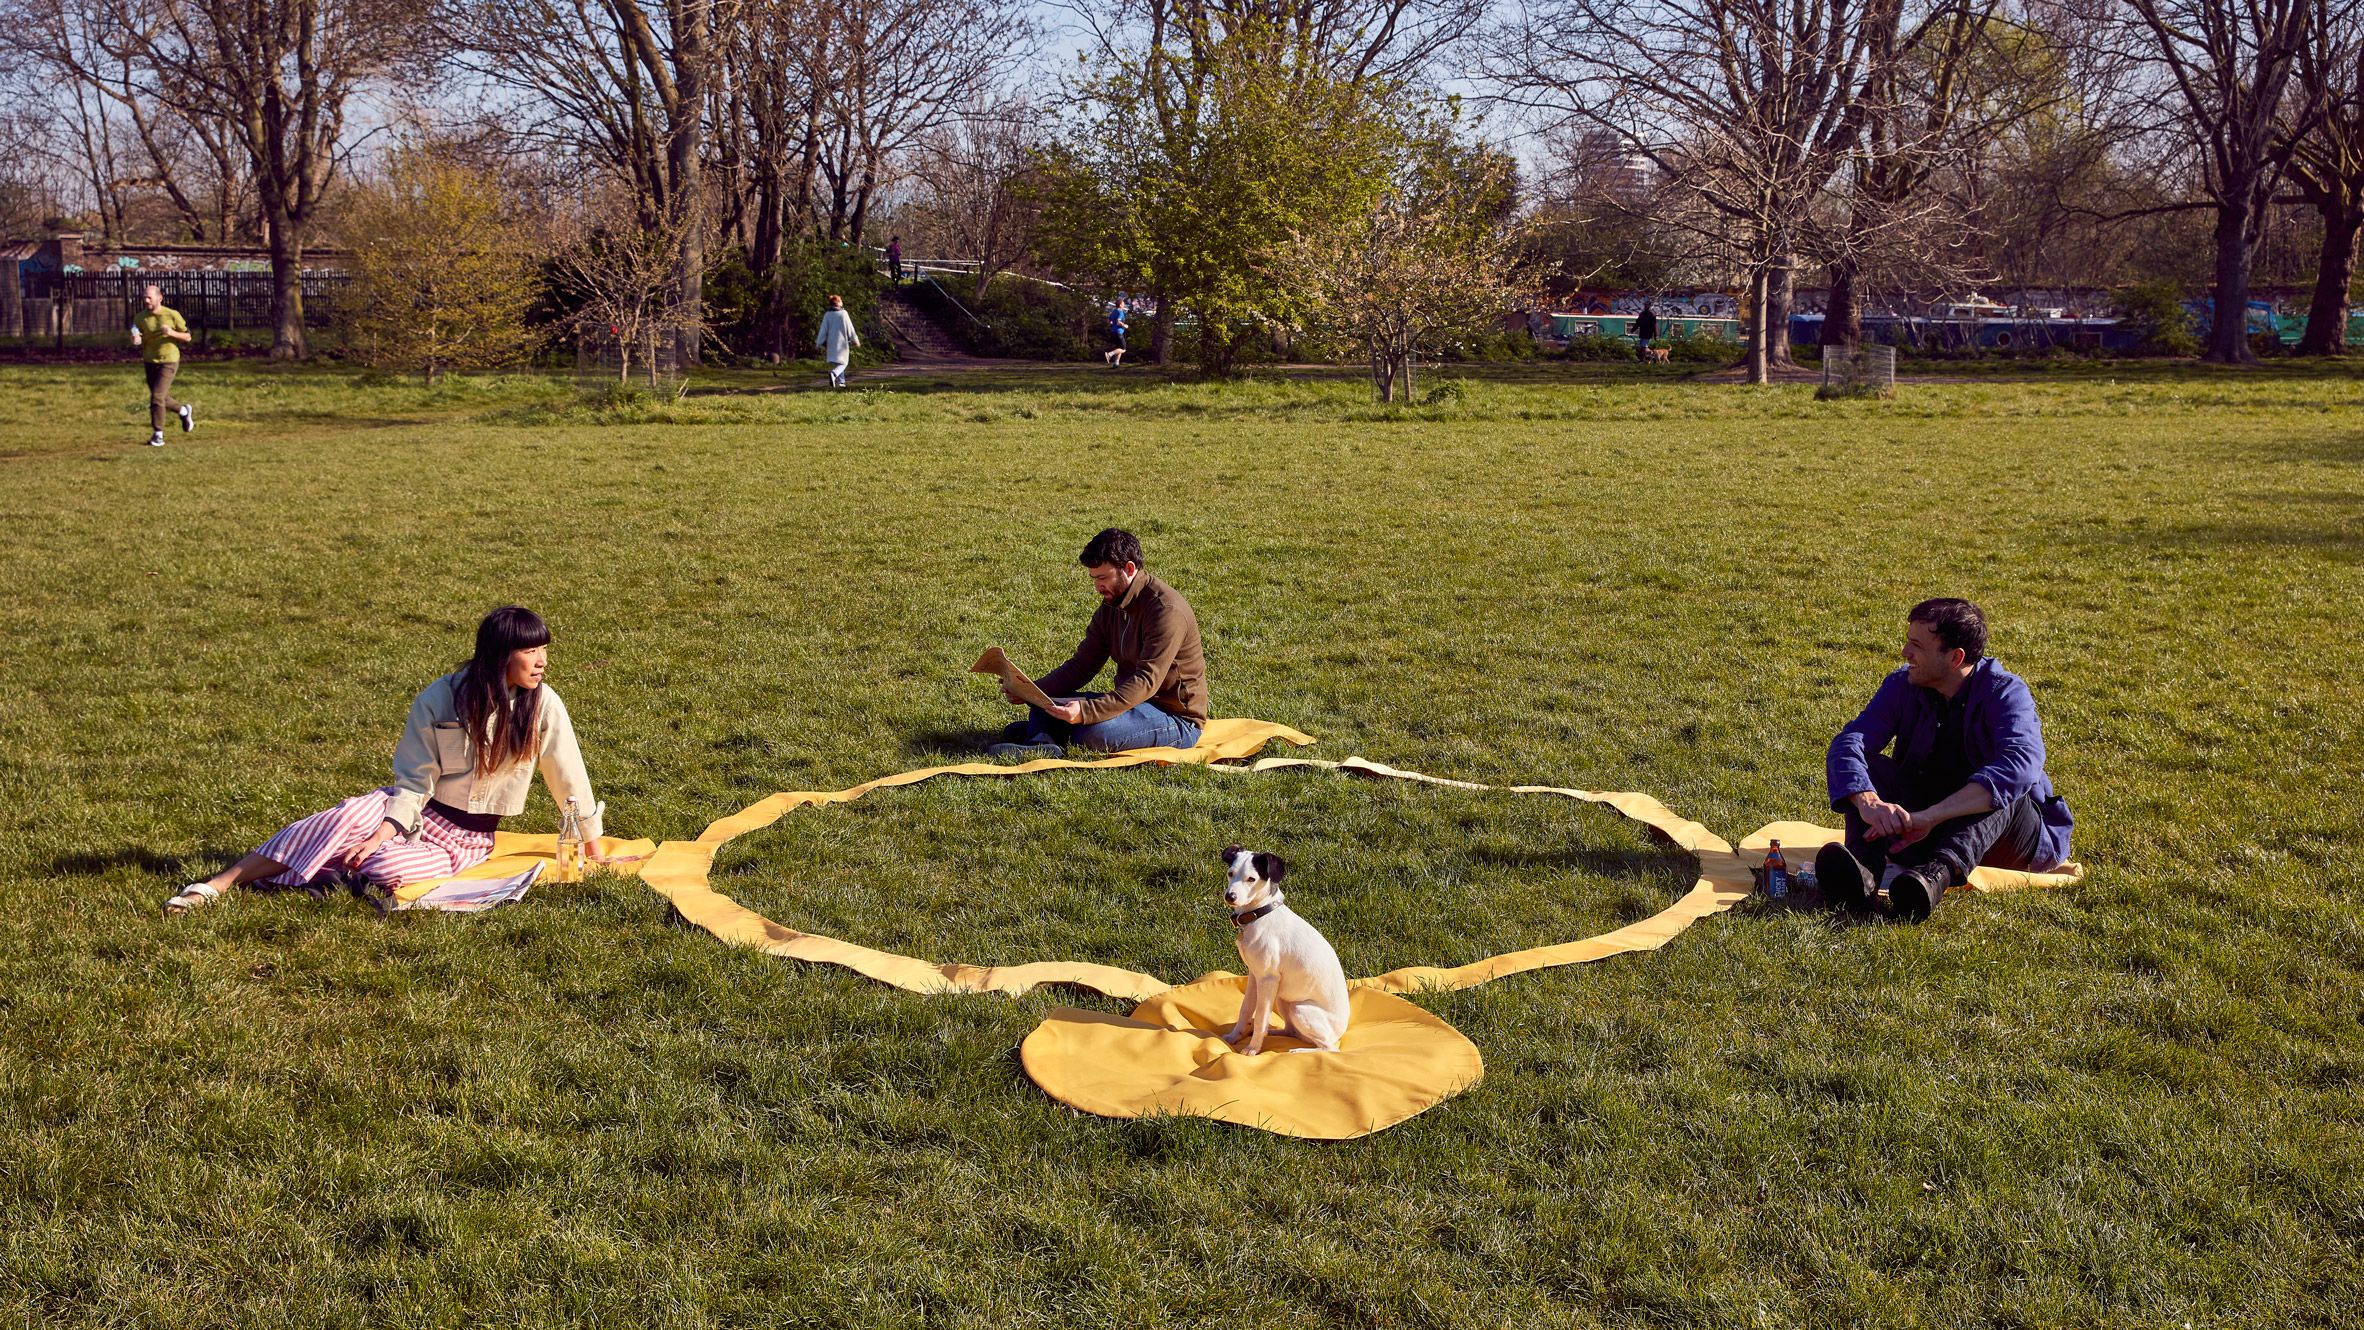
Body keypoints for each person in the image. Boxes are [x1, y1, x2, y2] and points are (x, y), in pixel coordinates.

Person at [163, 607, 606, 914]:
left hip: (464, 842)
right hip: (413, 811)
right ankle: (215, 885)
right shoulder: (441, 697)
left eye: (544, 648)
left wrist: (592, 843)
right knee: (342, 819)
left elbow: (568, 774)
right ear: (499, 655)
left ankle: (322, 873)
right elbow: (414, 780)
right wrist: (382, 831)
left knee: (387, 867)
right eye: (531, 651)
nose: (542, 660)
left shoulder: (544, 705)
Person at [1820, 598, 2074, 921]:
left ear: (1955, 658)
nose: (1905, 653)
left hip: (2005, 839)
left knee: (2004, 790)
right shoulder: (1903, 684)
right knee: (1867, 766)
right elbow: (1850, 742)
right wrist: (1869, 802)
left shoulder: (2006, 693)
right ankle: (1862, 872)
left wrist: (1933, 817)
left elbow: (2021, 764)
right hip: (1921, 826)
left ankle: (1934, 876)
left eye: (1917, 646)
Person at [987, 527, 1208, 759]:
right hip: (1132, 705)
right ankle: (1041, 741)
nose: (1097, 586)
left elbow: (1146, 681)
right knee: (1046, 705)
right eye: (1094, 578)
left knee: (1094, 733)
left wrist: (1087, 711)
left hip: (1176, 718)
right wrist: (1031, 691)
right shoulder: (1112, 606)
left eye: (1103, 577)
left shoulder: (1165, 612)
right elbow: (1082, 665)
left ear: (1129, 569)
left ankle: (1051, 731)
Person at [131, 283, 194, 447]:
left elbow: (187, 337)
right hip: (150, 360)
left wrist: (171, 333)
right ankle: (184, 411)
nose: (146, 300)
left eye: (149, 297)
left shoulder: (172, 315)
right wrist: (136, 338)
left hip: (169, 360)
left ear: (160, 298)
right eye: (144, 297)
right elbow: (136, 331)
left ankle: (158, 435)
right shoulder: (140, 317)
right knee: (161, 397)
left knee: (157, 397)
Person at [816, 294, 860, 388]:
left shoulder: (827, 315)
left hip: (831, 343)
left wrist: (819, 342)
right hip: (842, 342)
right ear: (839, 303)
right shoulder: (843, 313)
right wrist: (855, 339)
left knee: (839, 362)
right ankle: (834, 374)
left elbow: (823, 330)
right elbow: (850, 328)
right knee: (844, 362)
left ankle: (841, 382)